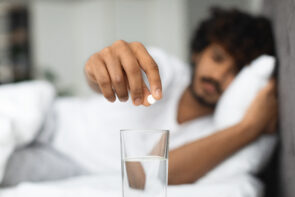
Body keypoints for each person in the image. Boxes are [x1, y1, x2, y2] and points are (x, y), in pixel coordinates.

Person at [83, 7, 277, 185]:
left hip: (77, 170)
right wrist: (98, 69)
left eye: (235, 72)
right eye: (217, 58)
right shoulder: (167, 72)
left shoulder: (214, 131)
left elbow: (150, 175)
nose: (218, 76)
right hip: (56, 126)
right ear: (197, 53)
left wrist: (249, 127)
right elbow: (115, 74)